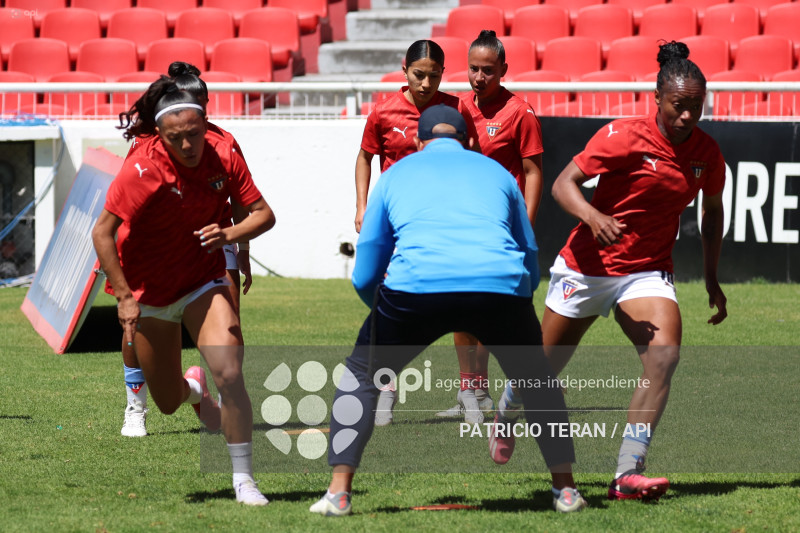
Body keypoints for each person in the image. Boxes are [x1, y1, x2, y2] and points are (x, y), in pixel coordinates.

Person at [310, 104, 586, 517]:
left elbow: (365, 270)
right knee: (538, 381)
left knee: (362, 376)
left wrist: (382, 311)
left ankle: (338, 494)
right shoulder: (498, 173)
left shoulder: (395, 174)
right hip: (498, 289)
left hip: (414, 290)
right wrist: (516, 300)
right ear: (469, 141)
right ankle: (565, 490)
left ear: (418, 142)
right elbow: (528, 251)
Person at [488, 41, 727, 503]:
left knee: (664, 358)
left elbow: (713, 213)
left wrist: (711, 276)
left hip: (646, 272)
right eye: (678, 105)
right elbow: (564, 184)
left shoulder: (707, 153)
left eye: (696, 106)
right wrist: (593, 217)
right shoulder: (624, 135)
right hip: (587, 267)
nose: (687, 116)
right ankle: (508, 408)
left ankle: (627, 472)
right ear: (657, 98)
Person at [92, 77, 276, 506]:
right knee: (168, 401)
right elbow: (102, 233)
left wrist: (229, 235)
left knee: (230, 372)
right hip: (150, 291)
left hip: (202, 281)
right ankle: (192, 390)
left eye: (194, 134)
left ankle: (244, 480)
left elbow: (263, 215)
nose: (188, 145)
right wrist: (125, 297)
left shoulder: (224, 153)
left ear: (205, 123)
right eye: (176, 138)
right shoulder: (142, 168)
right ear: (159, 134)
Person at [119, 62, 253, 438]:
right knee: (133, 334)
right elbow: (121, 211)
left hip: (213, 246)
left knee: (231, 328)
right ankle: (139, 405)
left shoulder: (224, 144)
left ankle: (229, 401)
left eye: (201, 106)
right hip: (156, 260)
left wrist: (240, 247)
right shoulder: (144, 148)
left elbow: (244, 202)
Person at [354, 39, 481, 426]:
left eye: (434, 76)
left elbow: (474, 159)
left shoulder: (457, 110)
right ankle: (386, 390)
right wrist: (362, 207)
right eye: (418, 74)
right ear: (404, 70)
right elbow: (365, 157)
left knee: (462, 306)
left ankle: (469, 391)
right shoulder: (383, 112)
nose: (426, 83)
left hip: (446, 222)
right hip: (396, 224)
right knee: (388, 307)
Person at [437, 30, 545, 424]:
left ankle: (526, 386)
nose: (479, 77)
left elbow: (533, 172)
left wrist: (525, 225)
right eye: (473, 69)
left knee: (495, 312)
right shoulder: (458, 108)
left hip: (502, 227)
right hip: (464, 223)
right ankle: (472, 392)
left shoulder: (520, 112)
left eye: (488, 70)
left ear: (503, 70)